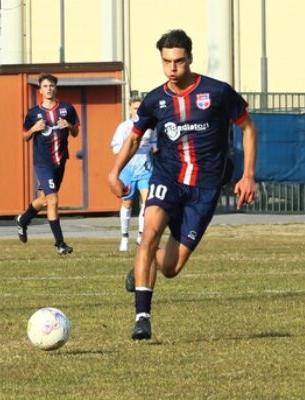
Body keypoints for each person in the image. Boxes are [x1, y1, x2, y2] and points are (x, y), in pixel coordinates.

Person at [108, 29, 257, 340]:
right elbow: (134, 138)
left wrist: (248, 175)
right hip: (167, 178)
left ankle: (139, 270)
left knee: (172, 268)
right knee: (149, 233)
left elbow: (247, 127)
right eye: (166, 62)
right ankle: (142, 317)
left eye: (178, 61)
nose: (172, 68)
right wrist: (115, 171)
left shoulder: (217, 92)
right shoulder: (155, 100)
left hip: (204, 188)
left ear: (189, 59)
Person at [16, 73, 80, 255]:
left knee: (45, 200)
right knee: (53, 199)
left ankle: (23, 219)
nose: (49, 89)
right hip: (42, 163)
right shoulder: (33, 113)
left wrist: (68, 125)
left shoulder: (67, 109)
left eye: (51, 85)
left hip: (60, 161)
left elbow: (75, 133)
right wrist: (33, 129)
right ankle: (60, 244)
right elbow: (24, 136)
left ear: (55, 88)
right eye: (45, 86)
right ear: (40, 90)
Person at [110, 96, 157, 252]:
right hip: (128, 169)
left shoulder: (150, 127)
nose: (138, 111)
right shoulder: (124, 127)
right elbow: (116, 148)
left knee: (148, 203)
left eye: (140, 108)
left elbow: (155, 144)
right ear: (129, 109)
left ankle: (141, 235)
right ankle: (124, 237)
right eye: (135, 108)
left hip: (145, 168)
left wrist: (154, 149)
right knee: (127, 204)